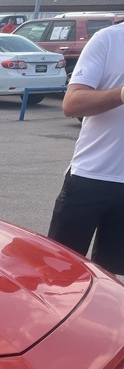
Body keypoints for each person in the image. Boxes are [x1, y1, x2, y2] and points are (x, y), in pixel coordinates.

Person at [47, 21, 124, 272]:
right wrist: (121, 94)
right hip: (91, 177)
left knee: (111, 280)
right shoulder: (108, 40)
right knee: (59, 271)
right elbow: (72, 104)